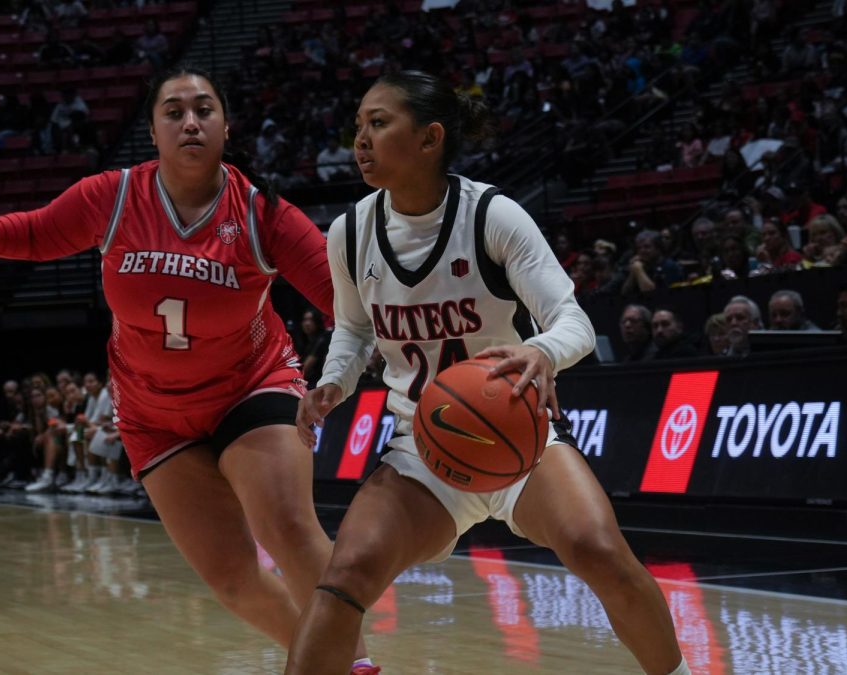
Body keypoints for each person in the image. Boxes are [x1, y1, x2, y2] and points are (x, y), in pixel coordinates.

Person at [0, 65, 375, 673]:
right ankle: (319, 657)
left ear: (225, 128)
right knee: (233, 581)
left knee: (288, 525)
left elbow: (350, 303)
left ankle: (356, 664)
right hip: (153, 413)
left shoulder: (264, 214)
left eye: (204, 110)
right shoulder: (112, 195)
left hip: (251, 386)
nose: (189, 122)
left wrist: (409, 352)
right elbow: (42, 232)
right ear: (152, 131)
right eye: (174, 111)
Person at [285, 71, 687, 675]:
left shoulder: (493, 215)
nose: (359, 140)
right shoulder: (350, 232)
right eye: (358, 126)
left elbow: (571, 320)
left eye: (378, 122)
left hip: (518, 433)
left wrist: (542, 352)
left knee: (599, 550)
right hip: (421, 446)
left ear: (430, 138)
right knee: (343, 577)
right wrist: (335, 382)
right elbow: (353, 328)